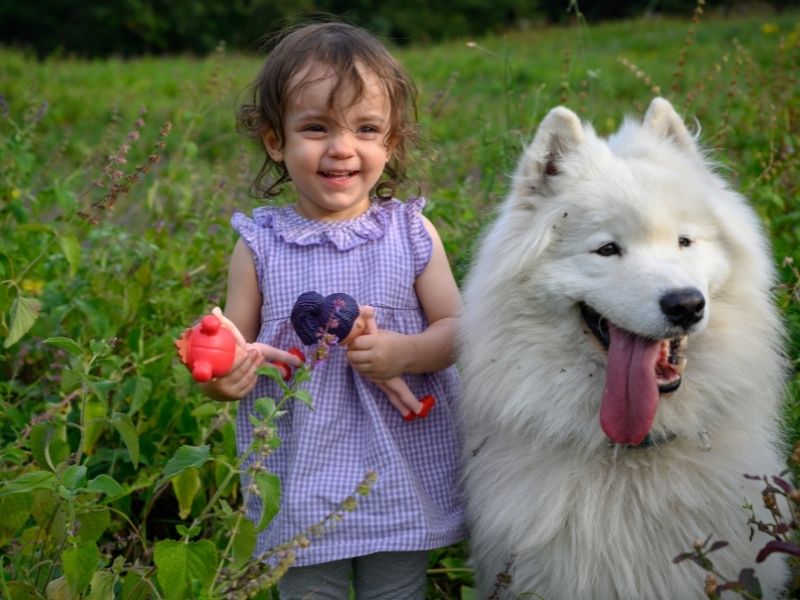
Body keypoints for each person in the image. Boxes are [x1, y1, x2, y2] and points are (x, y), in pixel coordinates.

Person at [202, 20, 466, 600]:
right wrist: (222, 375)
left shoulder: (411, 233)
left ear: (391, 143)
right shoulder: (260, 245)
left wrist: (405, 350)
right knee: (306, 589)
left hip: (399, 465)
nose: (342, 147)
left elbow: (460, 331)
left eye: (366, 129)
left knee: (396, 590)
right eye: (316, 128)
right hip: (298, 472)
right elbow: (233, 350)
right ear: (276, 140)